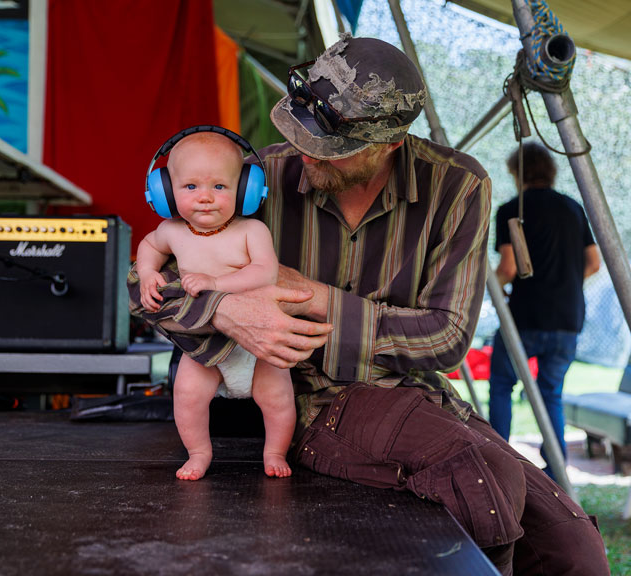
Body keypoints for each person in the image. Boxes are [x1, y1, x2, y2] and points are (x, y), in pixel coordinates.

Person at [129, 35, 609, 575]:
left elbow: (446, 337)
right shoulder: (254, 180)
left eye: (328, 148)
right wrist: (222, 310)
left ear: (389, 145)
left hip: (418, 394)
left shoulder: (457, 187)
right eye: (297, 133)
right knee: (480, 481)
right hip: (307, 394)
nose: (304, 152)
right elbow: (145, 284)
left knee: (575, 550)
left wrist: (315, 298)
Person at [136, 130, 305, 480]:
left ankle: (274, 451)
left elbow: (265, 272)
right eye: (191, 187)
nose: (206, 198)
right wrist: (148, 272)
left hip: (256, 345)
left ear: (245, 190)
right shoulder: (172, 231)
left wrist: (216, 284)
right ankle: (199, 452)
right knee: (186, 395)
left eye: (220, 187)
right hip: (204, 345)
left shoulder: (250, 231)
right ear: (165, 192)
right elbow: (149, 245)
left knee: (277, 401)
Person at [488, 142, 601, 477]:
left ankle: (498, 463)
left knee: (501, 385)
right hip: (568, 317)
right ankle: (556, 469)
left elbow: (508, 268)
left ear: (516, 172)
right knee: (551, 391)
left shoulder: (512, 209)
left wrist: (490, 287)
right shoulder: (573, 208)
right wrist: (562, 282)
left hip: (526, 316)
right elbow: (593, 263)